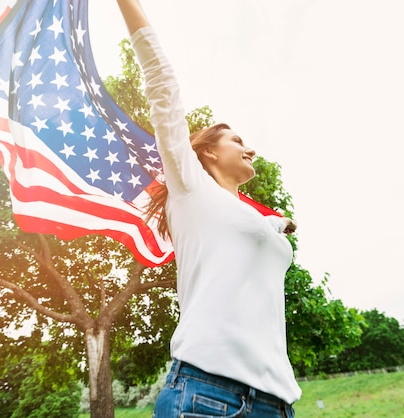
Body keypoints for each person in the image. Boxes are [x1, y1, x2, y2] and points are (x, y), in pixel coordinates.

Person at [116, 1, 302, 417]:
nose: (249, 147)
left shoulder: (248, 215)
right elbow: (163, 86)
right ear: (210, 155)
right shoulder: (191, 189)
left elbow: (246, 235)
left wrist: (276, 223)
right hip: (207, 396)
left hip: (277, 402)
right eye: (236, 141)